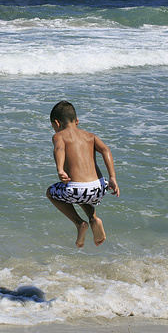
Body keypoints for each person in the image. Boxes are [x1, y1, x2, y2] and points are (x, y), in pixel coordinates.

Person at [46, 101, 119, 248]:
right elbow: (106, 150)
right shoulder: (90, 136)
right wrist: (112, 177)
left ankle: (79, 223)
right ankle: (93, 218)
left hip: (77, 190)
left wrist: (60, 169)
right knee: (81, 191)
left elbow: (59, 149)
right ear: (77, 121)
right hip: (99, 188)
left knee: (51, 192)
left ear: (57, 123)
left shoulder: (59, 136)